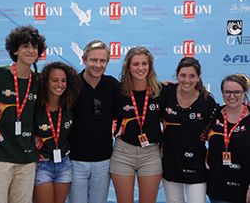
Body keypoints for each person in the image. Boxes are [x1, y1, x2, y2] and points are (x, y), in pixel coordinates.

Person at [0, 25, 46, 203]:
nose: (31, 50)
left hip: (27, 159)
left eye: (35, 47)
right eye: (25, 46)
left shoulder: (39, 81)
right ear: (15, 50)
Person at [110, 47, 166, 203]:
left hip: (151, 154)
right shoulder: (118, 90)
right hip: (123, 152)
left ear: (150, 66)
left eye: (144, 64)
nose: (140, 68)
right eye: (136, 64)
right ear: (128, 67)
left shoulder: (161, 90)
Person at [67, 40, 118, 203]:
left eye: (102, 61)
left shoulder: (113, 85)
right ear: (84, 60)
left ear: (108, 62)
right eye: (93, 60)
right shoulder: (71, 85)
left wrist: (167, 88)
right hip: (75, 161)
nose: (98, 65)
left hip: (104, 161)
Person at [161, 57, 217, 203]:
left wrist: (206, 134)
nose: (187, 80)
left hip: (196, 164)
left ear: (198, 77)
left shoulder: (207, 101)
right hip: (170, 162)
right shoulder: (166, 92)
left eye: (192, 76)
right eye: (183, 75)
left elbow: (213, 130)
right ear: (177, 75)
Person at [32, 62, 81, 203]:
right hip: (41, 165)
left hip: (64, 163)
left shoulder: (69, 105)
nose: (60, 84)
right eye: (55, 80)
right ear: (45, 81)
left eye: (63, 80)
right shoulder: (35, 108)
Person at [206, 74, 250, 203]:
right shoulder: (213, 114)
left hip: (244, 189)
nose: (232, 97)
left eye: (237, 92)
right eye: (227, 92)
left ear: (244, 92)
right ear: (222, 93)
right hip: (217, 189)